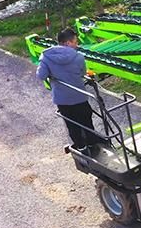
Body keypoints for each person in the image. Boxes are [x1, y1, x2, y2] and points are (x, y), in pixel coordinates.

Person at [36, 28, 102, 156]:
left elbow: (41, 76)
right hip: (79, 97)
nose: (77, 45)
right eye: (75, 42)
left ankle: (81, 147)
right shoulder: (78, 57)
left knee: (72, 125)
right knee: (86, 121)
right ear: (67, 43)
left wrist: (52, 73)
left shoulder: (46, 57)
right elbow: (82, 73)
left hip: (62, 99)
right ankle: (92, 143)